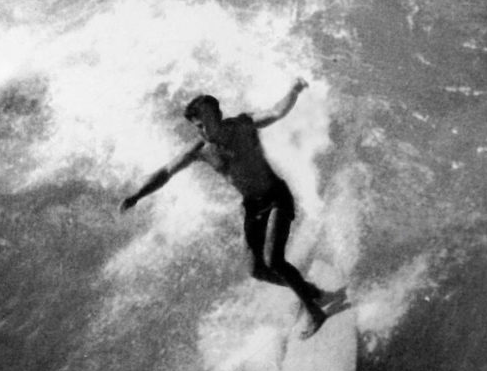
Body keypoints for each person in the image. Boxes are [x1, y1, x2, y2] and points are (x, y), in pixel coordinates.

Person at [119, 78, 344, 336]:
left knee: (274, 260)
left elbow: (276, 112)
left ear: (219, 116)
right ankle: (309, 291)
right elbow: (166, 172)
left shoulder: (243, 126)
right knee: (256, 270)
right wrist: (137, 194)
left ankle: (316, 313)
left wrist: (293, 90)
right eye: (197, 127)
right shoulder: (200, 150)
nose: (202, 131)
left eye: (205, 123)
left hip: (275, 197)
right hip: (252, 206)